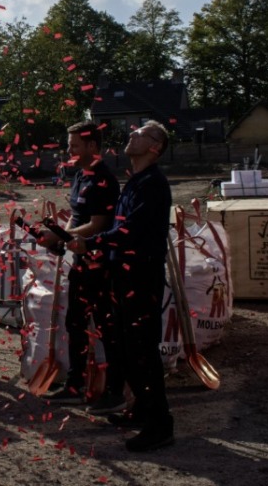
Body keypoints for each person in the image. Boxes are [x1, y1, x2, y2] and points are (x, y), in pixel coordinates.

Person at [66, 120, 174, 452]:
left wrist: (92, 243)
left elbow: (130, 232)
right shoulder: (135, 181)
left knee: (143, 352)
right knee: (130, 350)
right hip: (124, 277)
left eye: (140, 134)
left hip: (141, 278)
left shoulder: (152, 185)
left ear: (155, 146)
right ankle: (141, 409)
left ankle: (160, 425)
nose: (131, 135)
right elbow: (119, 225)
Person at [38, 121, 124, 412]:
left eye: (74, 145)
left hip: (101, 267)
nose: (69, 149)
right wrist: (58, 236)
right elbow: (76, 219)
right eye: (69, 144)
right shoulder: (80, 176)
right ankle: (75, 384)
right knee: (74, 323)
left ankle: (115, 391)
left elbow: (98, 224)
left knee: (106, 328)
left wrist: (66, 235)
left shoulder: (104, 179)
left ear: (91, 146)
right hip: (80, 264)